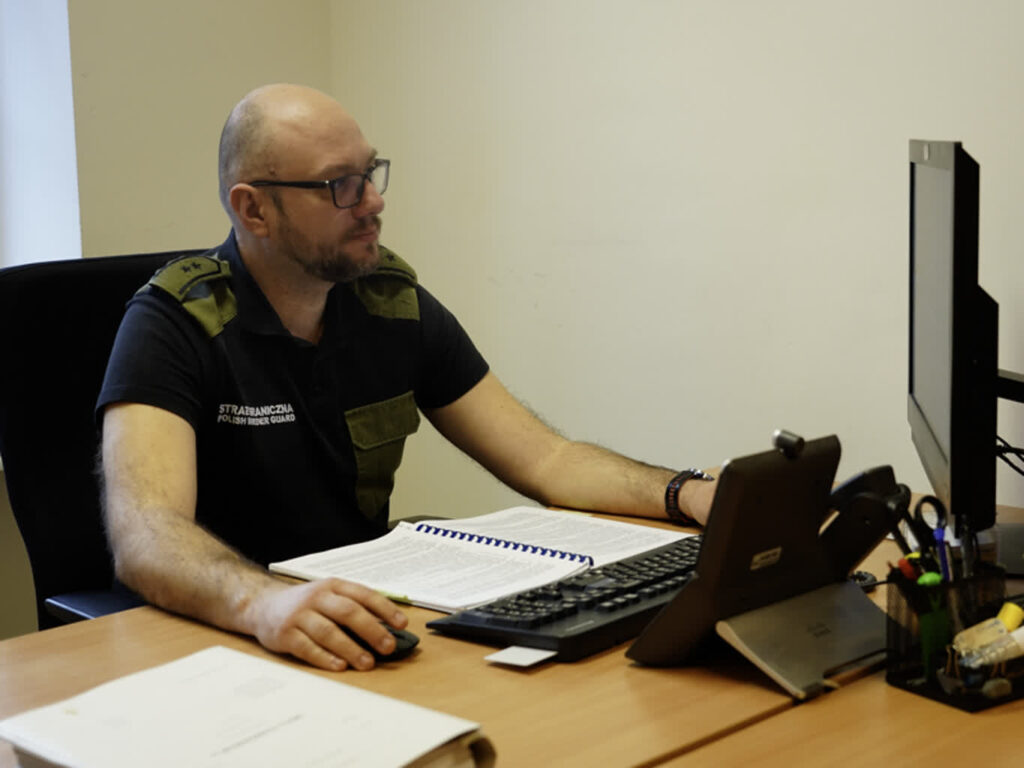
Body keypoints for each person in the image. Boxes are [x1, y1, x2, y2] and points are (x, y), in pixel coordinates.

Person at [97, 83, 717, 673]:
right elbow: (147, 533)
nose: (373, 201)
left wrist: (683, 491)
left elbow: (546, 459)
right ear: (253, 209)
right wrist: (261, 602)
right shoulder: (172, 324)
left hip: (361, 621)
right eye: (340, 185)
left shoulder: (390, 305)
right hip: (224, 634)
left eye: (369, 172)